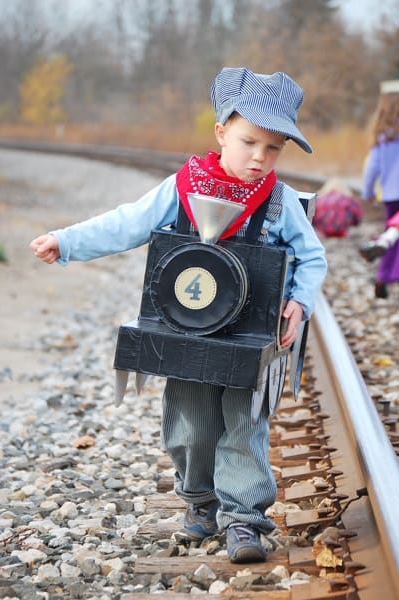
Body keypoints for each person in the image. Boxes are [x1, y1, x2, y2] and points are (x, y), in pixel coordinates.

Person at [30, 67, 327, 564]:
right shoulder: (184, 185)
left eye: (273, 149)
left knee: (242, 423)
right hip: (187, 329)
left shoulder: (278, 200)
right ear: (221, 133)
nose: (260, 158)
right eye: (249, 142)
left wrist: (300, 300)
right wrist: (66, 241)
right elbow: (128, 223)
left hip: (251, 335)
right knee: (190, 421)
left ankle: (244, 519)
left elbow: (312, 255)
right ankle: (200, 502)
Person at [360, 79, 399, 299]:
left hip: (391, 195)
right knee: (394, 234)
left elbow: (372, 167)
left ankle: (383, 276)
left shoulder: (382, 137)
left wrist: (367, 193)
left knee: (391, 232)